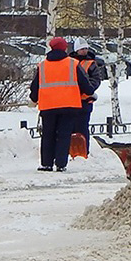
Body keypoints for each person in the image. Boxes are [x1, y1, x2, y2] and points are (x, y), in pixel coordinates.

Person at [30, 36, 94, 172]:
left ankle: (46, 163)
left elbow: (35, 86)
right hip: (69, 107)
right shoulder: (72, 64)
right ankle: (61, 164)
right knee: (64, 135)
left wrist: (34, 98)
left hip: (48, 107)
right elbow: (85, 84)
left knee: (48, 135)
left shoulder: (42, 66)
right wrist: (90, 93)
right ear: (65, 48)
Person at [70, 37, 102, 155]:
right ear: (76, 50)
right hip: (71, 100)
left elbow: (96, 80)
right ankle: (72, 151)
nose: (84, 51)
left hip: (85, 100)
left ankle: (83, 152)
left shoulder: (91, 63)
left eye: (86, 49)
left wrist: (86, 90)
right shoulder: (70, 62)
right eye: (82, 49)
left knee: (82, 127)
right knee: (70, 127)